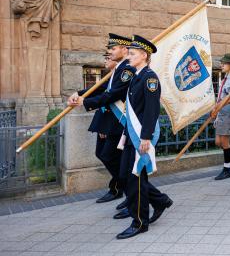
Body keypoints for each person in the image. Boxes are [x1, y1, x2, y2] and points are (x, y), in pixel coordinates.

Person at [116, 35, 172, 239]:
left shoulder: (150, 78)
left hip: (141, 136)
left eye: (131, 53)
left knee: (136, 180)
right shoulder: (136, 75)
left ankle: (140, 222)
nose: (128, 56)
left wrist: (146, 137)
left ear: (143, 55)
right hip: (132, 135)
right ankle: (159, 201)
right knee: (125, 176)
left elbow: (151, 110)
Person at [67, 33, 134, 206]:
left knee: (114, 159)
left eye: (112, 49)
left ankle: (130, 193)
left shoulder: (127, 69)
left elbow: (113, 94)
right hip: (111, 121)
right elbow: (102, 87)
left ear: (124, 49)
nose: (109, 53)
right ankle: (126, 191)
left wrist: (85, 102)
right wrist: (79, 94)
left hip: (119, 122)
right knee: (109, 157)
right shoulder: (119, 68)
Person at [211, 54, 230, 180]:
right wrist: (216, 109)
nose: (221, 65)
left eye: (225, 63)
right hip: (221, 113)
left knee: (224, 141)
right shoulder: (224, 80)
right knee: (219, 142)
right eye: (221, 63)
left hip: (229, 114)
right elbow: (221, 97)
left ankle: (227, 169)